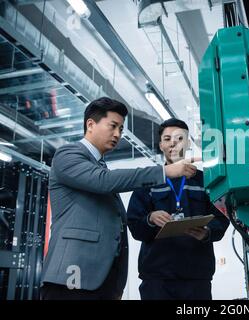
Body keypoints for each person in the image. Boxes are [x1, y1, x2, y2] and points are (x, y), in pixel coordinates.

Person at [40, 97, 197, 300]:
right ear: (90, 124)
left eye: (121, 129)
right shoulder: (68, 155)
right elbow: (104, 181)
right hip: (73, 276)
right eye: (113, 126)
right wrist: (165, 172)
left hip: (103, 281)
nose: (118, 134)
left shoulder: (99, 166)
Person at [127, 118, 229, 300]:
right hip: (157, 279)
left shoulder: (205, 181)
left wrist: (207, 233)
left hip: (197, 277)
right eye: (167, 139)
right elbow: (135, 225)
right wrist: (150, 219)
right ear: (160, 145)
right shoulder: (148, 181)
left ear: (188, 142)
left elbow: (222, 218)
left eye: (179, 138)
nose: (173, 143)